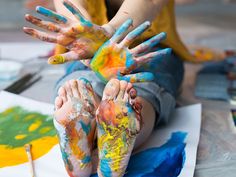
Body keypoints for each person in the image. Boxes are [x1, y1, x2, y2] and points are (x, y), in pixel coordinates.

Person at [23, 0, 189, 176]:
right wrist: (81, 30)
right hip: (94, 46)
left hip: (120, 44)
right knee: (145, 93)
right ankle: (125, 125)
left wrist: (106, 32)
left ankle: (82, 125)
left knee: (80, 80)